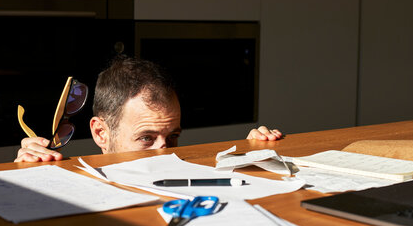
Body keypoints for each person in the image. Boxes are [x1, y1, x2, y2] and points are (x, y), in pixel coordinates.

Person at [15, 57, 282, 162]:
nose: (164, 152)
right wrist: (24, 181)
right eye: (146, 138)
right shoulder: (75, 186)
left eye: (173, 137)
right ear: (100, 133)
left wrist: (257, 156)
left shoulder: (183, 170)